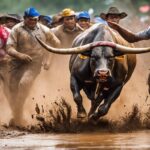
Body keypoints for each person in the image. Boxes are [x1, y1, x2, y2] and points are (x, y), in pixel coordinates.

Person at [6, 7, 60, 126]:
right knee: (12, 89)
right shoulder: (16, 29)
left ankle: (19, 117)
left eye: (35, 20)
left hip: (34, 63)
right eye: (30, 20)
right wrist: (20, 55)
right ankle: (17, 114)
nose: (33, 22)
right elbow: (9, 48)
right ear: (24, 19)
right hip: (16, 62)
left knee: (24, 83)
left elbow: (56, 44)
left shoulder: (44, 29)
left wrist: (48, 59)